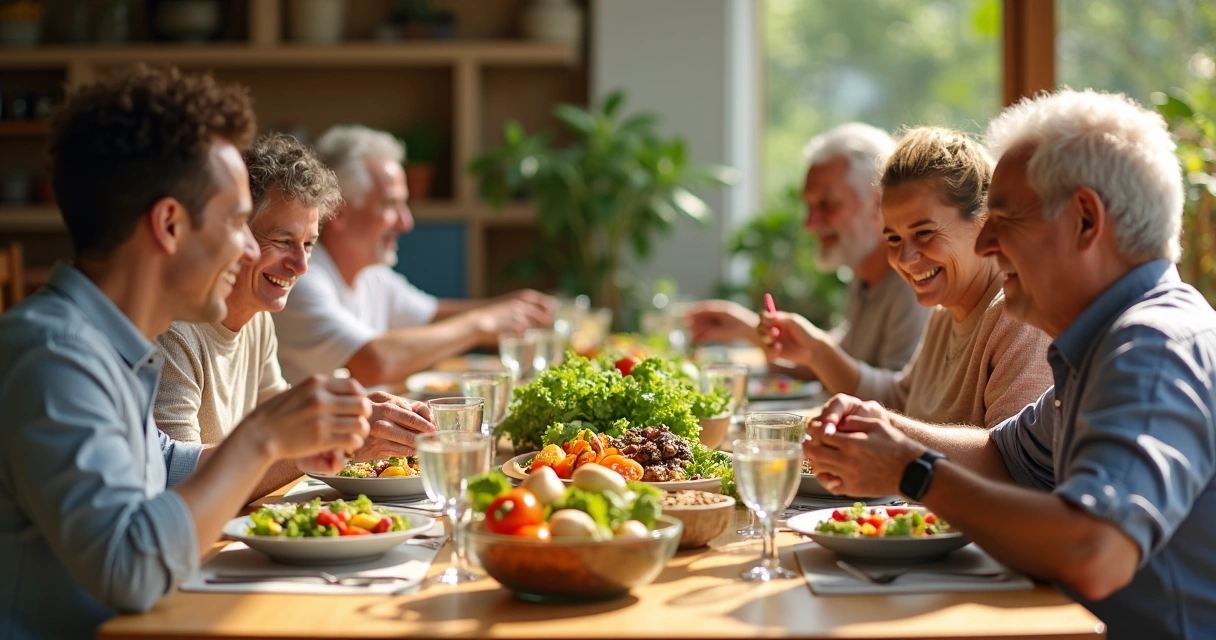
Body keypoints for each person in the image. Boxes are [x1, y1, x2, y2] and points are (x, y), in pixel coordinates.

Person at [803, 89, 1216, 639]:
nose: (988, 241)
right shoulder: (1100, 343)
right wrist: (883, 431)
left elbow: (1094, 551)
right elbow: (1003, 453)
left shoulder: (1153, 347)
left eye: (1004, 218)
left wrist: (911, 470)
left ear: (1085, 221)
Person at [0, 66, 372, 639]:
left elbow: (169, 470)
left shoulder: (110, 347)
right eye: (233, 220)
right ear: (170, 225)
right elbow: (130, 570)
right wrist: (262, 437)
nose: (249, 246)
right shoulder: (55, 356)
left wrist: (303, 437)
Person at [154, 134, 435, 488]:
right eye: (283, 241)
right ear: (235, 233)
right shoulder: (175, 334)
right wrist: (338, 440)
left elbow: (287, 426)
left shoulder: (258, 322)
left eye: (308, 244)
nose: (301, 265)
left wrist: (360, 416)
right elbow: (183, 487)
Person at [761, 127, 1053, 428]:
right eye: (894, 239)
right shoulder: (943, 315)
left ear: (984, 222)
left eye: (924, 233)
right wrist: (815, 351)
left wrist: (890, 432)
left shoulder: (1017, 319)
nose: (904, 259)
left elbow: (1010, 463)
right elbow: (901, 399)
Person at [273, 124, 553, 385]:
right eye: (391, 205)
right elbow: (374, 362)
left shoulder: (372, 275)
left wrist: (508, 306)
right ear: (338, 212)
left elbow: (429, 317)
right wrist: (481, 323)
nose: (406, 223)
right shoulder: (300, 278)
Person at [688, 123, 928, 373]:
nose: (810, 224)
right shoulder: (864, 278)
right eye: (810, 206)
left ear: (879, 203)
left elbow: (896, 398)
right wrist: (748, 329)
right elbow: (836, 363)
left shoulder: (912, 283)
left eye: (827, 204)